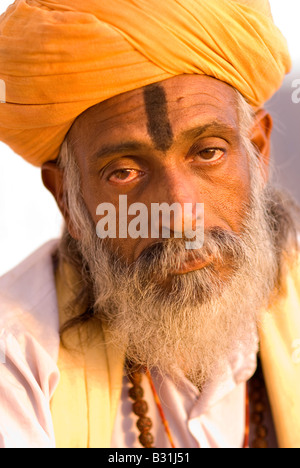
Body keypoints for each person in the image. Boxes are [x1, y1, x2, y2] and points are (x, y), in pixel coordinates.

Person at [0, 0, 299, 449]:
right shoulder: (17, 358)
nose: (181, 215)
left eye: (209, 152)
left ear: (257, 152)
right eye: (124, 172)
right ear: (67, 196)